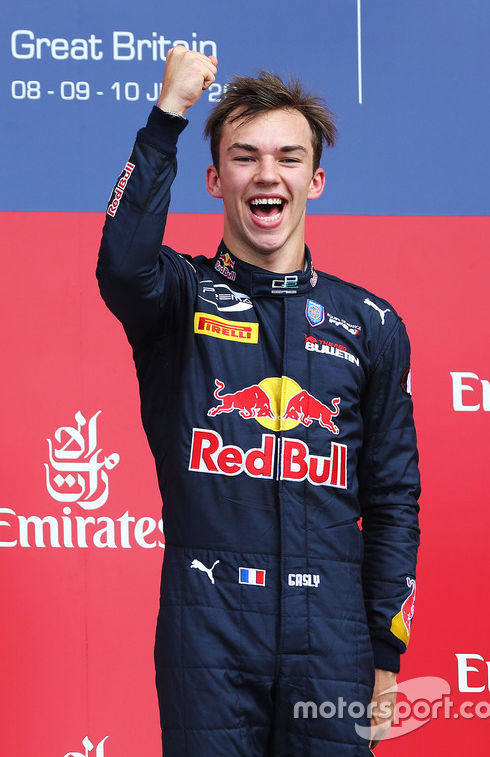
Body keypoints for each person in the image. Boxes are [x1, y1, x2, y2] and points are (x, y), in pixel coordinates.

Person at [97, 46, 420, 757]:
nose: (266, 175)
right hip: (206, 618)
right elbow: (120, 262)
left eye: (287, 157)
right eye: (244, 158)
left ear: (316, 179)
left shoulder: (369, 323)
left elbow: (393, 498)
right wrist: (167, 116)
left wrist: (383, 653)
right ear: (215, 179)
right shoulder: (176, 297)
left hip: (332, 630)